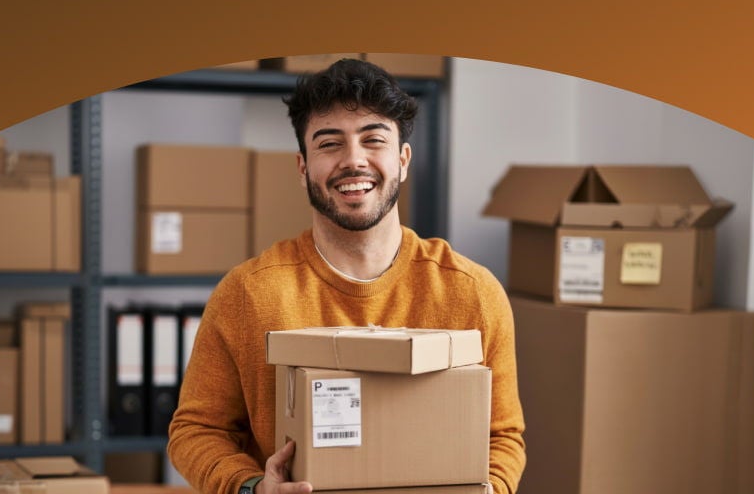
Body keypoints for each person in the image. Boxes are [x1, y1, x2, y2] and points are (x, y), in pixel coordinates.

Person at [167, 58, 526, 494]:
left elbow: (502, 437)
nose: (353, 161)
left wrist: (489, 489)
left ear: (403, 159)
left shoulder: (472, 293)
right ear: (303, 168)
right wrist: (252, 486)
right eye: (329, 144)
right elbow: (195, 430)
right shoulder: (250, 293)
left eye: (373, 140)